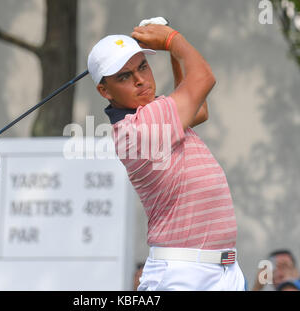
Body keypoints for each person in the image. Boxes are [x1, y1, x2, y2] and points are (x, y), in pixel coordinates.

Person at [87, 21, 245, 290]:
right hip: (182, 274)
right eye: (124, 76)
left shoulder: (155, 113)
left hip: (224, 270)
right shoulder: (140, 128)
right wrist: (173, 40)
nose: (140, 80)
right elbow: (204, 78)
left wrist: (172, 52)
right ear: (105, 91)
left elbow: (199, 109)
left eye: (143, 67)